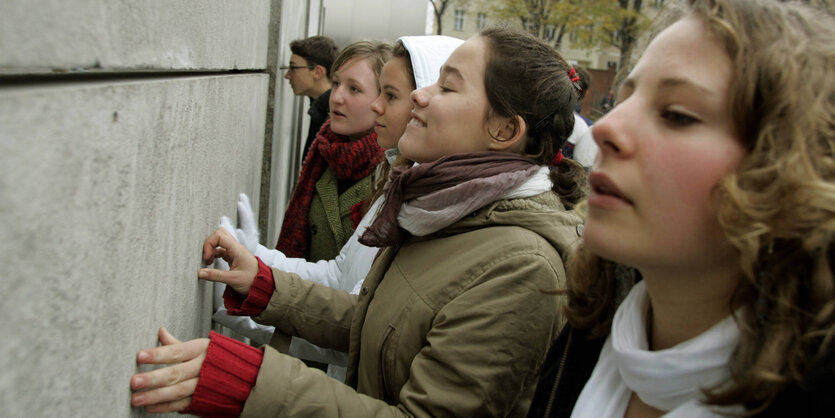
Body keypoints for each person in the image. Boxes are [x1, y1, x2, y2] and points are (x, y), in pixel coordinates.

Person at [130, 27, 587, 416]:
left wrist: (255, 383)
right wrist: (269, 287)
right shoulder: (443, 209)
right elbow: (380, 322)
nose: (418, 98)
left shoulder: (521, 267)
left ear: (505, 130)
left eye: (447, 88)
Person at [528, 0, 835, 416]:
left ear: (794, 181)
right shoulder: (585, 337)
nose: (606, 130)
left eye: (676, 115)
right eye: (623, 101)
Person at [213, 35, 464, 382]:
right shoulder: (396, 179)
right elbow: (339, 275)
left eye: (386, 95)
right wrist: (257, 259)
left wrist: (248, 300)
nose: (338, 97)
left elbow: (354, 326)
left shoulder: (422, 199)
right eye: (336, 84)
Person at [274, 41, 390, 263]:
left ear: (384, 99)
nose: (336, 97)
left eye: (354, 89)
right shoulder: (325, 150)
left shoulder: (392, 172)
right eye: (336, 83)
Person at [282, 36, 340, 161]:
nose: (287, 76)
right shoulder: (321, 109)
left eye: (293, 68)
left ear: (318, 72)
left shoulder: (335, 117)